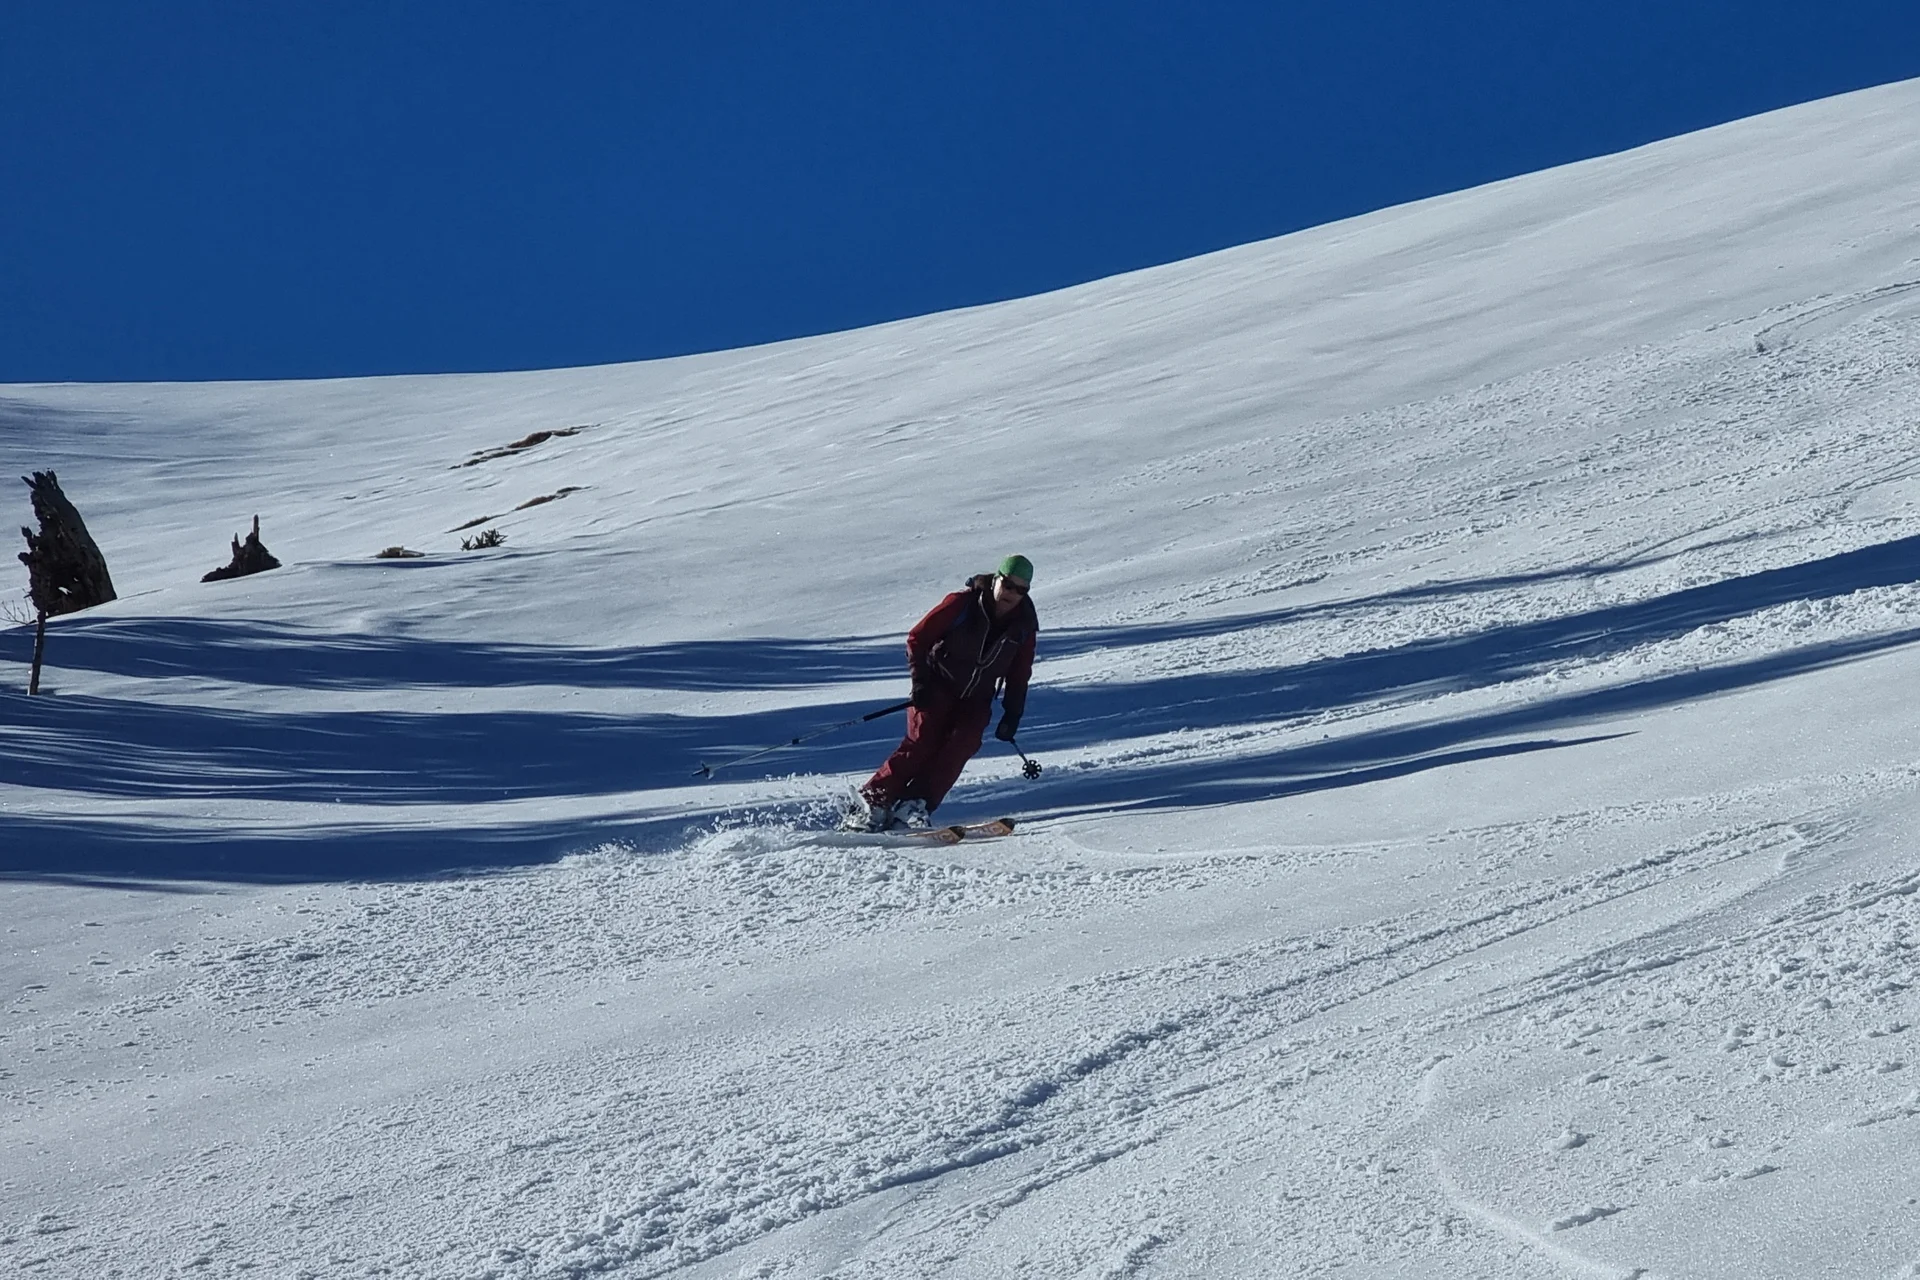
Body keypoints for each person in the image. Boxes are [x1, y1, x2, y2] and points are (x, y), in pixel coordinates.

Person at [847, 555, 1038, 830]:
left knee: (963, 745)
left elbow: (1020, 673)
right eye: (1008, 585)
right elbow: (918, 638)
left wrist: (1013, 713)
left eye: (1021, 590)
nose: (1012, 594)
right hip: (937, 686)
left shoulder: (1024, 627)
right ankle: (871, 805)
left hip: (976, 699)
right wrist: (920, 682)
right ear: (996, 579)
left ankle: (914, 805)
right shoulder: (962, 604)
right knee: (922, 742)